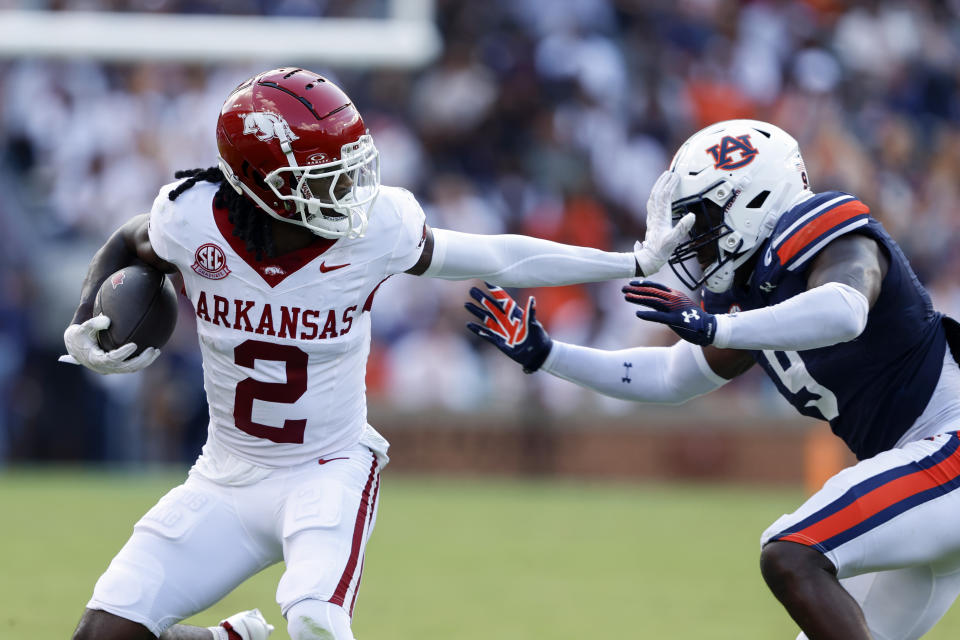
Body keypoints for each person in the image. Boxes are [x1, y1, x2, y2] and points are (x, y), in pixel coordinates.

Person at [60, 67, 694, 640]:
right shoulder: (191, 218)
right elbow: (128, 241)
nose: (348, 191)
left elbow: (499, 256)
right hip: (225, 476)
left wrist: (629, 259)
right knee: (102, 635)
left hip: (326, 468)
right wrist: (86, 317)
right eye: (323, 177)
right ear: (258, 186)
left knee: (314, 619)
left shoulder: (375, 231)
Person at [466, 119, 960, 640]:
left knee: (792, 552)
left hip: (948, 450)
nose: (690, 238)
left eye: (701, 218)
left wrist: (718, 326)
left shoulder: (824, 226)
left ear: (753, 200)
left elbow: (845, 309)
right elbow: (673, 376)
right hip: (925, 479)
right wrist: (549, 354)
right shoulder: (749, 295)